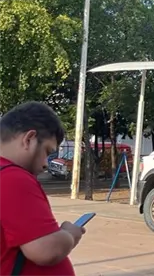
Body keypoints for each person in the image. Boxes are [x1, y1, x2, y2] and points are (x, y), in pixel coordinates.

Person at [0, 102, 85, 276]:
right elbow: (46, 250)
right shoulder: (13, 177)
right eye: (47, 151)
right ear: (29, 139)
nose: (46, 164)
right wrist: (70, 234)